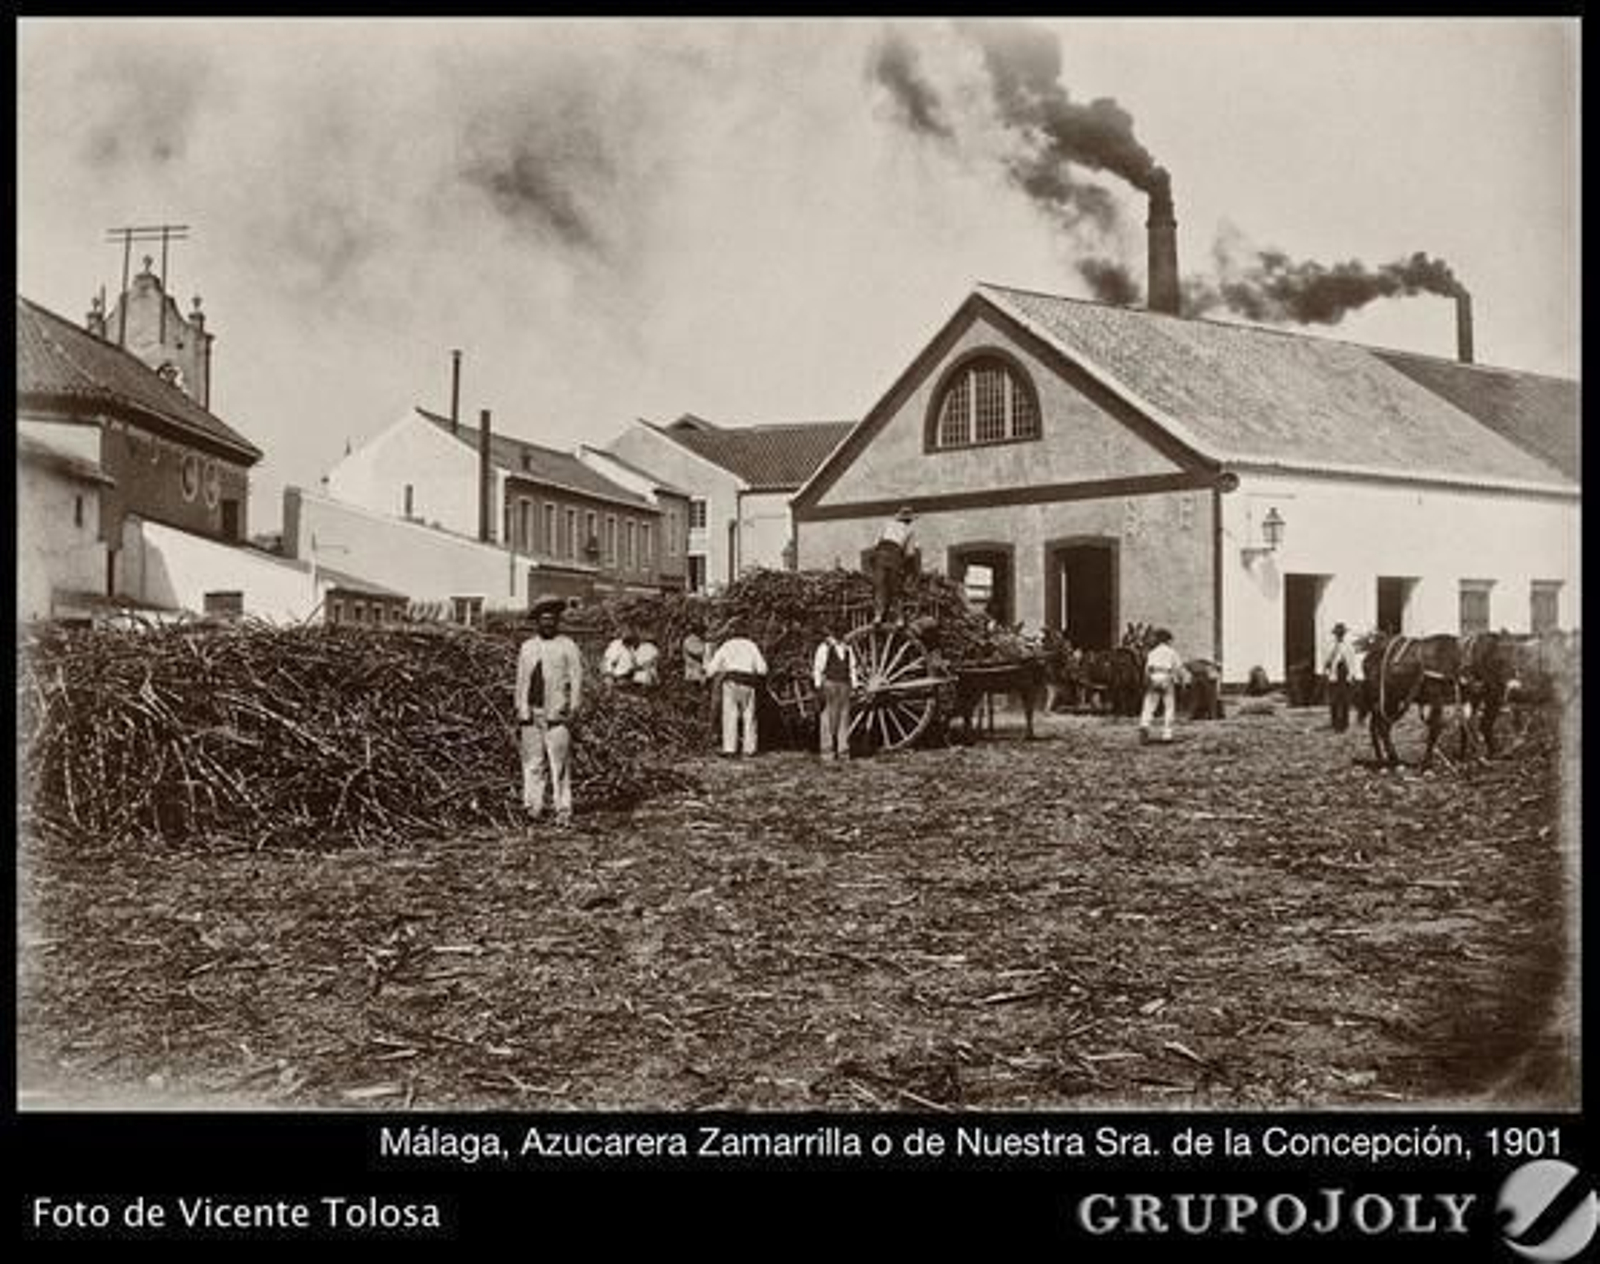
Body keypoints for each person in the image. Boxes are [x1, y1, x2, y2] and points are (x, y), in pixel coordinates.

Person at [515, 596, 585, 826]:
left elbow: (576, 679)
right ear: (537, 622)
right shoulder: (527, 647)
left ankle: (562, 810)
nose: (547, 624)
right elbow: (521, 681)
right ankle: (533, 808)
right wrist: (520, 708)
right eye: (543, 620)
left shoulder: (567, 646)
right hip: (531, 713)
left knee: (559, 764)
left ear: (557, 622)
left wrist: (573, 707)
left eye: (551, 619)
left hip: (557, 713)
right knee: (533, 763)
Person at [705, 618, 768, 757]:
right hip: (748, 682)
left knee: (729, 715)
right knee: (749, 716)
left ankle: (730, 749)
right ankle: (749, 749)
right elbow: (763, 669)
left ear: (731, 632)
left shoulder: (726, 646)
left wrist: (712, 672)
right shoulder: (751, 645)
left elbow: (711, 669)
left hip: (731, 682)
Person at [811, 624, 860, 761]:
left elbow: (852, 668)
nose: (840, 634)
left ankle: (843, 751)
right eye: (837, 632)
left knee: (844, 717)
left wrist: (855, 685)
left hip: (844, 685)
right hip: (830, 684)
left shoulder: (847, 648)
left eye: (842, 632)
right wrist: (818, 685)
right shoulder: (824, 647)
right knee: (827, 717)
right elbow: (818, 668)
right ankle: (827, 751)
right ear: (832, 632)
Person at [1139, 628, 1187, 745]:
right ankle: (1167, 734)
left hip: (1153, 678)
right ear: (1167, 640)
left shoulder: (1152, 653)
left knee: (1149, 705)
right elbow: (1179, 669)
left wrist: (1147, 682)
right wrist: (1182, 682)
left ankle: (1144, 726)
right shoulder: (1172, 652)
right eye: (1170, 640)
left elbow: (1147, 670)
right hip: (1166, 678)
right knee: (1169, 707)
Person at [869, 506, 917, 624]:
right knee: (896, 587)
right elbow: (910, 554)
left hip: (880, 553)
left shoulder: (887, 524)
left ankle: (878, 615)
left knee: (880, 586)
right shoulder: (910, 530)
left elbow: (875, 543)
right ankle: (899, 618)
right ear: (909, 520)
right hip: (895, 555)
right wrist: (910, 570)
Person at [1323, 621, 1360, 733]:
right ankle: (1335, 723)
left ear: (1344, 634)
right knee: (1334, 701)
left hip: (1344, 674)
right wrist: (1333, 650)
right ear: (1335, 634)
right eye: (1338, 633)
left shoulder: (1348, 646)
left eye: (1341, 633)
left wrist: (1352, 675)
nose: (1339, 635)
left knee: (1345, 701)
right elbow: (1327, 661)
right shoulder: (1331, 645)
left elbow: (1352, 661)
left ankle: (1344, 724)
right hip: (1334, 675)